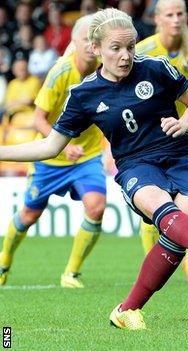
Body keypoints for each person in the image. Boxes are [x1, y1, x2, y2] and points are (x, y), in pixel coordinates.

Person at [0, 8, 188, 330]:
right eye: (116, 48)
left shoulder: (157, 69)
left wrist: (184, 122)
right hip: (136, 164)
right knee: (166, 213)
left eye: (130, 47)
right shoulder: (84, 94)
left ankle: (127, 310)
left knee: (177, 231)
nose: (126, 56)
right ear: (96, 49)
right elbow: (49, 146)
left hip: (182, 156)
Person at [0, 15, 105, 289]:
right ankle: (4, 259)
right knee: (29, 215)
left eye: (96, 41)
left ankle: (71, 273)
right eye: (86, 40)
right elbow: (38, 119)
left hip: (87, 154)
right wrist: (64, 144)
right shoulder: (60, 72)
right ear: (74, 42)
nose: (92, 46)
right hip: (50, 157)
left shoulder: (106, 70)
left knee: (96, 207)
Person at [135, 0, 188, 283]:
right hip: (151, 136)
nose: (176, 19)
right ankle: (152, 263)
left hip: (185, 134)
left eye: (181, 14)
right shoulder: (143, 51)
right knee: (152, 201)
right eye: (170, 14)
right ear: (158, 19)